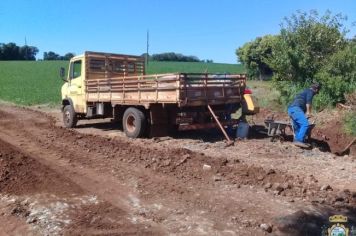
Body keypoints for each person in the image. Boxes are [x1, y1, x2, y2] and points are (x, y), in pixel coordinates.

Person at [288, 82, 321, 148]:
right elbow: (308, 102)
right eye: (317, 92)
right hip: (296, 109)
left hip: (291, 109)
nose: (315, 94)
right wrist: (308, 112)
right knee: (305, 124)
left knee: (297, 126)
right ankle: (299, 141)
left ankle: (297, 141)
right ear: (316, 90)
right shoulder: (310, 92)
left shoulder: (305, 91)